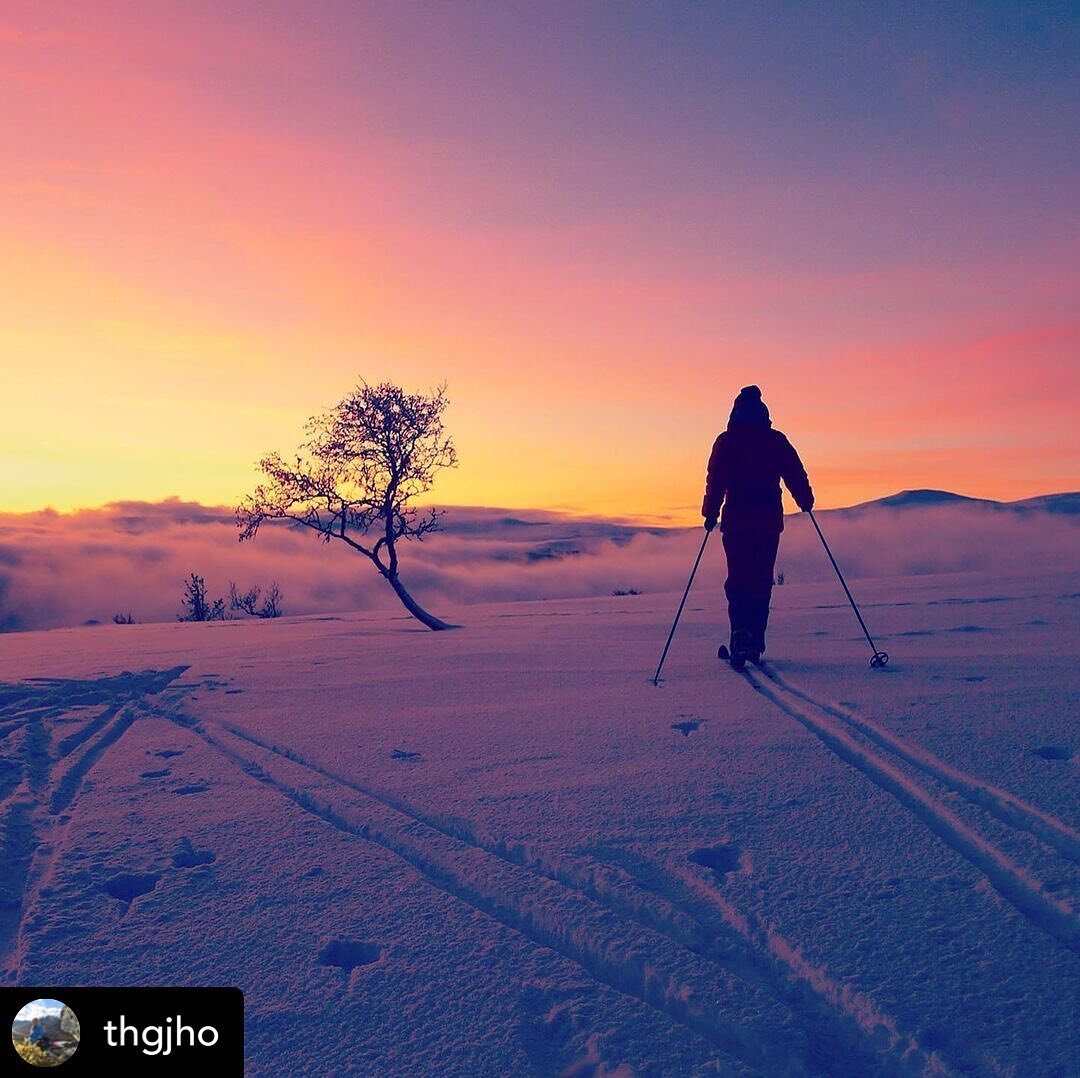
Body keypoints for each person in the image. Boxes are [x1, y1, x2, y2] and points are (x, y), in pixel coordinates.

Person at [702, 385, 813, 668]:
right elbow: (794, 472)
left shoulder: (727, 442)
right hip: (767, 520)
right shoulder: (774, 440)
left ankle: (740, 635)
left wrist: (710, 511)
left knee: (738, 578)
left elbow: (715, 480)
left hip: (737, 521)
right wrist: (804, 499)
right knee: (761, 579)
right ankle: (756, 641)